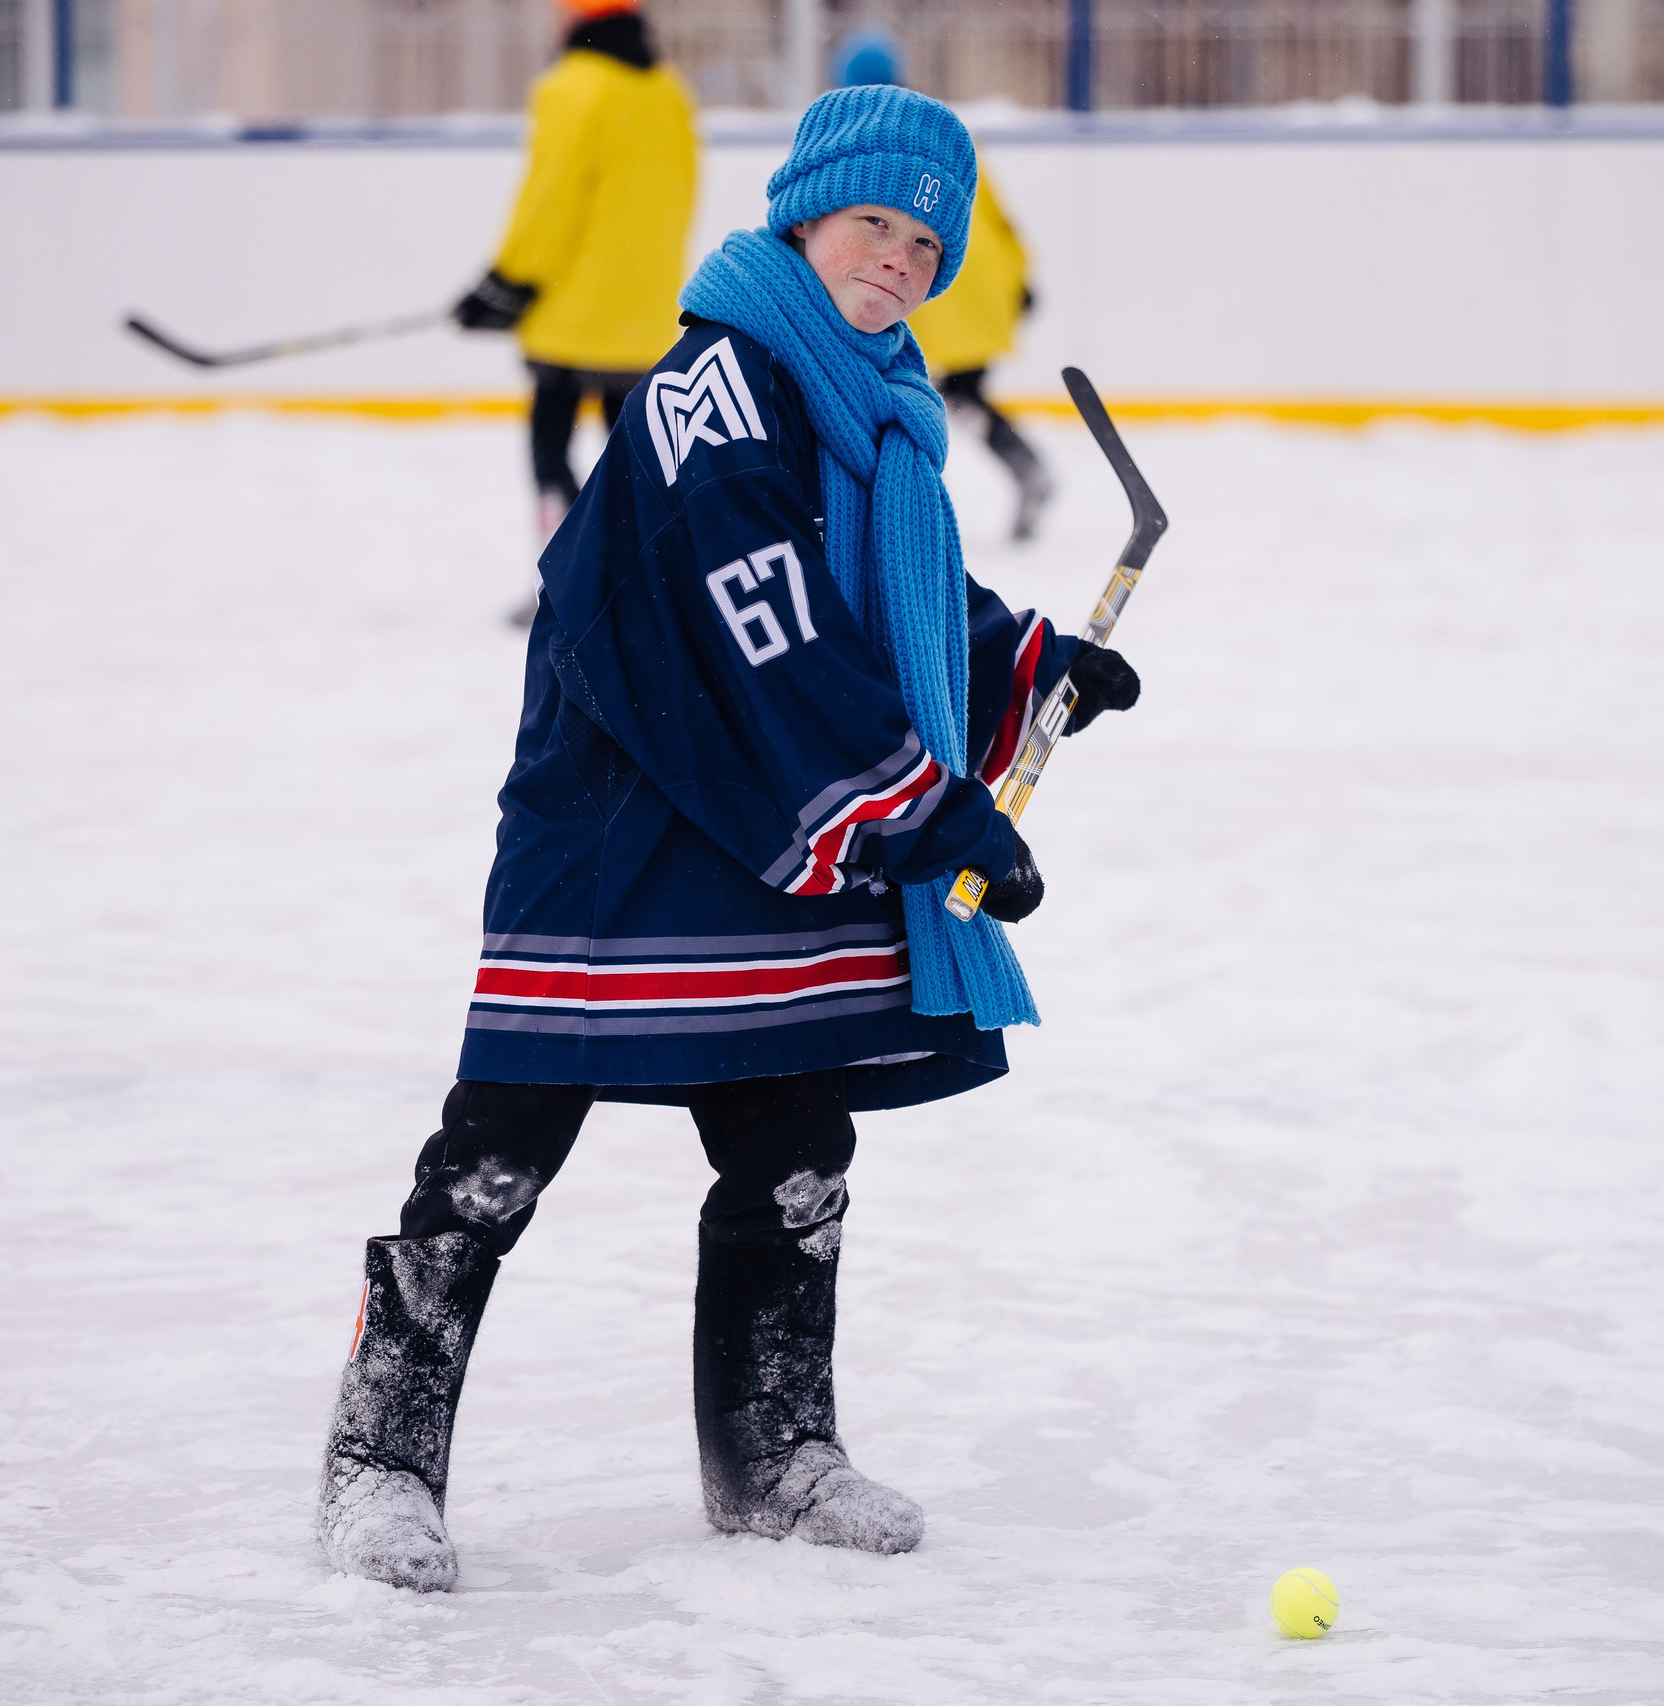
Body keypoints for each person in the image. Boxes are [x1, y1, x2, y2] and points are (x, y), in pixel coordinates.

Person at [318, 85, 1145, 1592]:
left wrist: (1026, 663)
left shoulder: (868, 401)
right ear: (804, 215)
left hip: (758, 822)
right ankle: (380, 1462)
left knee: (791, 1145)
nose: (896, 259)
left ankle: (772, 1453)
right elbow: (761, 613)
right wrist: (926, 806)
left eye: (924, 243)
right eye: (872, 225)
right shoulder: (719, 383)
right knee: (498, 1153)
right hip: (624, 822)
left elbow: (877, 598)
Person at [453, 0, 695, 623]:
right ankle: (633, 583)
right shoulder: (668, 92)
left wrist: (507, 281)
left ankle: (567, 585)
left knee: (550, 441)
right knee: (634, 458)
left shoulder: (569, 88)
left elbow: (550, 197)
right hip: (642, 312)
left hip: (571, 309)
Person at [836, 32, 1052, 543]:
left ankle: (914, 508)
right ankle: (1023, 470)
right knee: (957, 393)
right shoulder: (947, 133)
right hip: (979, 281)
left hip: (945, 286)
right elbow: (997, 215)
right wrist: (1020, 277)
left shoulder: (869, 146)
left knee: (920, 396)